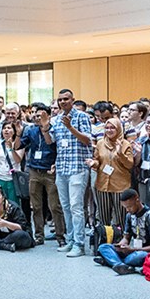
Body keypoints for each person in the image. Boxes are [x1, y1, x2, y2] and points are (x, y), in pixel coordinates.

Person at [52, 89, 94, 258]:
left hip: (78, 168)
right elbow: (52, 142)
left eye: (66, 99)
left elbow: (87, 140)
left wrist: (70, 127)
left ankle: (79, 244)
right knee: (66, 206)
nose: (63, 102)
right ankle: (70, 240)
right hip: (61, 168)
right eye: (60, 99)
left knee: (76, 207)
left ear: (73, 100)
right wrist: (45, 126)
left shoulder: (82, 116)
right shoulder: (56, 119)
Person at [21, 103, 66, 246]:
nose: (36, 117)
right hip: (34, 170)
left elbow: (60, 148)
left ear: (47, 115)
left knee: (55, 206)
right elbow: (20, 145)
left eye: (39, 114)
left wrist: (56, 164)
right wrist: (16, 133)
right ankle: (39, 235)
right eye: (34, 114)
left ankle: (60, 236)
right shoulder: (30, 130)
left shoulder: (55, 129)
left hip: (50, 171)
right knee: (36, 206)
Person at [96, 189, 150, 275]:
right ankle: (120, 264)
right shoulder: (129, 216)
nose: (127, 210)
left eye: (129, 207)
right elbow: (126, 237)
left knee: (139, 256)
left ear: (137, 200)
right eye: (125, 207)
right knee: (103, 247)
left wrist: (132, 249)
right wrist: (121, 245)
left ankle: (113, 261)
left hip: (148, 252)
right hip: (134, 250)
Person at [88, 118, 134, 229]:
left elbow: (129, 165)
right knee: (104, 217)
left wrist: (120, 154)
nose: (109, 130)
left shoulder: (125, 144)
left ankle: (124, 239)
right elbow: (98, 160)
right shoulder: (100, 143)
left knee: (122, 216)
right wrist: (93, 163)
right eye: (107, 128)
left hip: (120, 186)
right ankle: (105, 239)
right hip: (102, 185)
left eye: (112, 127)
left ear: (119, 129)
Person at [0, 121, 20, 204]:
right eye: (4, 128)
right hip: (0, 177)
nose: (6, 130)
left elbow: (18, 160)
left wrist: (11, 149)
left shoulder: (18, 143)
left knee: (13, 203)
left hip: (13, 178)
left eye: (9, 128)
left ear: (14, 131)